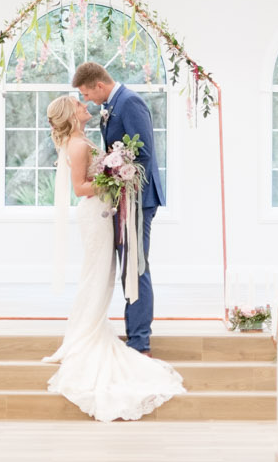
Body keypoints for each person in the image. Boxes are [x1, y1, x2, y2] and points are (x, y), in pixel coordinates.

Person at [40, 93, 185, 421]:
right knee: (97, 276)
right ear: (72, 114)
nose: (84, 105)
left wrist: (112, 175)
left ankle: (92, 328)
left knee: (103, 276)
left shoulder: (80, 140)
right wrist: (113, 177)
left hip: (104, 213)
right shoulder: (77, 146)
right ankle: (85, 335)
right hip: (96, 215)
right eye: (79, 104)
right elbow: (79, 187)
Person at [71, 60, 163, 353]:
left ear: (100, 85)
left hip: (137, 199)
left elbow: (143, 153)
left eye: (87, 94)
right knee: (128, 268)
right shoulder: (111, 106)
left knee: (135, 268)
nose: (88, 100)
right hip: (122, 199)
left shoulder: (130, 102)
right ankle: (133, 333)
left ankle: (139, 341)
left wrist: (111, 175)